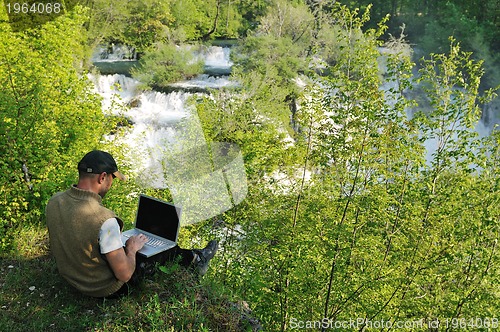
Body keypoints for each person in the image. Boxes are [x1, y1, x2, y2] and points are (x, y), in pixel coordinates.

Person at [46, 150, 218, 298]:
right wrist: (131, 249)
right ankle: (197, 260)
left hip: (71, 278)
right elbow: (125, 274)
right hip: (102, 289)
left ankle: (195, 258)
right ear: (102, 177)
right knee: (166, 249)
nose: (111, 184)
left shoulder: (55, 202)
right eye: (112, 178)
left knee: (134, 244)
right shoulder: (104, 220)